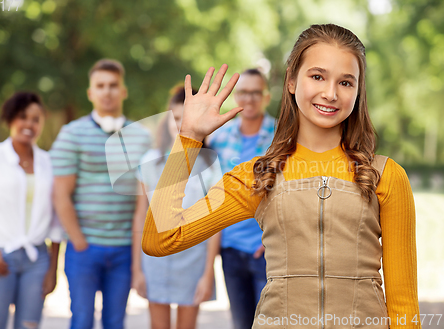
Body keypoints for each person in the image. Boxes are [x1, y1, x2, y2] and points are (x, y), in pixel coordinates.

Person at [142, 24, 421, 329]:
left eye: (345, 82)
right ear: (291, 80)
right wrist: (189, 137)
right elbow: (161, 239)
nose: (330, 93)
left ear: (358, 91)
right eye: (317, 76)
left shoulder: (385, 175)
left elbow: (403, 304)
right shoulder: (257, 176)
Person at [50, 59, 151, 329]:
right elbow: (60, 196)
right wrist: (80, 242)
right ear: (90, 93)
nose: (107, 91)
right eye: (101, 86)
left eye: (113, 85)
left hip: (124, 249)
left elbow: (146, 199)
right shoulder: (71, 134)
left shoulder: (142, 137)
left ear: (123, 91)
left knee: (115, 322)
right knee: (81, 321)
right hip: (85, 247)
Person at [0, 92, 63, 329]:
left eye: (35, 119)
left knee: (29, 326)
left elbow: (56, 220)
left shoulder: (49, 163)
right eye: (23, 117)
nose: (29, 124)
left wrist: (52, 268)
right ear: (10, 119)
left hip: (37, 260)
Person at [133, 85, 221, 329]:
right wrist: (137, 268)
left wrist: (208, 274)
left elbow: (213, 224)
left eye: (188, 119)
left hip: (194, 259)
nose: (181, 126)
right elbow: (141, 215)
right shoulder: (149, 163)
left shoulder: (210, 166)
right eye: (177, 118)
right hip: (155, 260)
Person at [207, 68, 275, 329]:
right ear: (236, 97)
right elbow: (213, 196)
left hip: (267, 249)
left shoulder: (283, 137)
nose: (249, 98)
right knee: (240, 323)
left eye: (256, 92)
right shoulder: (219, 138)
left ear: (266, 97)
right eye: (244, 92)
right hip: (230, 248)